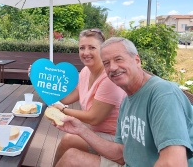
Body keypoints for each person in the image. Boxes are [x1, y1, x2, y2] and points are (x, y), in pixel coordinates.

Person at [55, 37, 193, 166]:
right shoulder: (127, 101)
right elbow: (121, 153)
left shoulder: (162, 93)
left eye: (119, 59)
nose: (113, 68)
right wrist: (81, 129)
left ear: (137, 60)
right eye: (106, 63)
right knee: (70, 157)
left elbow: (174, 162)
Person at [51, 29, 126, 166]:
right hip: (98, 132)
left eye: (92, 47)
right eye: (82, 48)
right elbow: (71, 96)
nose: (86, 53)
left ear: (102, 51)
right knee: (67, 141)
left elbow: (94, 118)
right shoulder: (86, 71)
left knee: (69, 142)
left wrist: (63, 110)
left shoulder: (108, 78)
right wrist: (43, 85)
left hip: (115, 139)